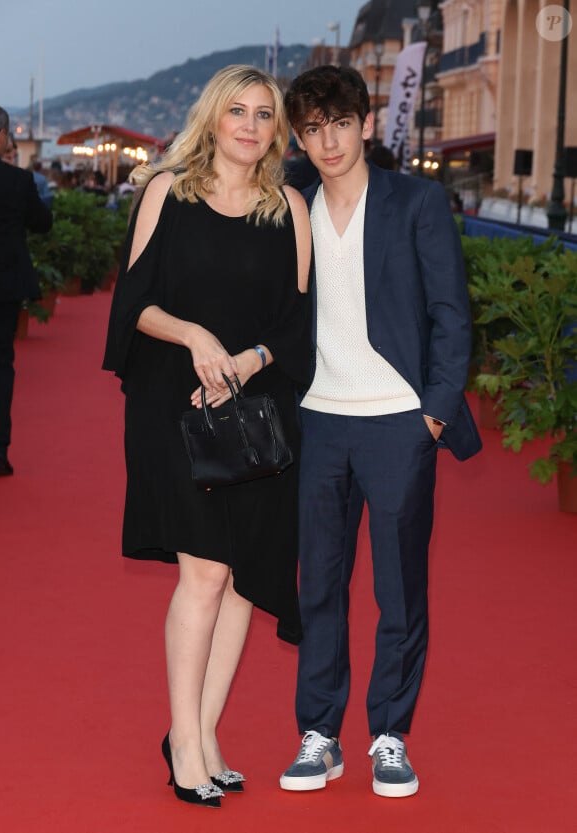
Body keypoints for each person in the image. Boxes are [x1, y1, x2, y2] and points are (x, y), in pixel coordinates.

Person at [102, 65, 311, 809]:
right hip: (174, 407)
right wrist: (196, 337)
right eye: (238, 112)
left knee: (240, 581)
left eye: (264, 114)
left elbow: (297, 321)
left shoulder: (289, 206)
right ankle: (183, 740)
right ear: (213, 119)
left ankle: (204, 732)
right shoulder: (167, 191)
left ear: (275, 129)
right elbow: (134, 303)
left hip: (257, 413)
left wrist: (249, 362)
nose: (251, 125)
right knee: (204, 572)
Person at [280, 66, 481, 798]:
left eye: (338, 123)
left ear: (365, 123)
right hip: (319, 422)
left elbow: (450, 314)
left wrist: (431, 410)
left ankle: (389, 733)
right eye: (311, 129)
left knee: (399, 589)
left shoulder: (416, 201)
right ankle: (320, 734)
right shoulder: (292, 206)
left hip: (399, 422)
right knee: (320, 586)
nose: (326, 141)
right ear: (299, 137)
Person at [0, 106, 53, 477]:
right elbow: (43, 223)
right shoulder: (18, 181)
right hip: (5, 285)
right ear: (1, 135)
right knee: (2, 365)